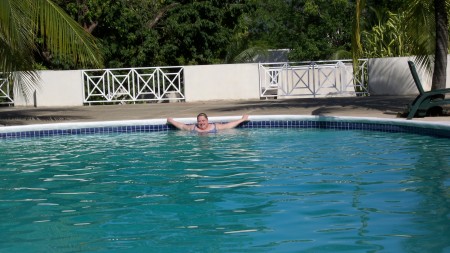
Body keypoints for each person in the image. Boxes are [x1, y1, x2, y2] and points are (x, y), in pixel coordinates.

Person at [167, 113, 249, 133]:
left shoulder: (215, 127)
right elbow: (182, 126)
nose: (201, 123)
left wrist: (242, 120)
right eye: (199, 121)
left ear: (207, 120)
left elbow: (228, 125)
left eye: (203, 121)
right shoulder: (193, 128)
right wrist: (171, 121)